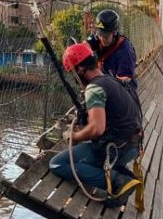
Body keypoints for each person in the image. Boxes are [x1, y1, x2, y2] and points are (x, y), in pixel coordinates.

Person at [49, 42, 142, 207]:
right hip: (132, 147)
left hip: (116, 150)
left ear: (80, 70)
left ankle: (118, 181)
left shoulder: (94, 89)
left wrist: (73, 136)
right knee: (85, 157)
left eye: (73, 73)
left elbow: (97, 129)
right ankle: (123, 175)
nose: (74, 78)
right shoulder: (111, 80)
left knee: (57, 163)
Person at [87, 9, 138, 90]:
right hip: (103, 82)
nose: (102, 38)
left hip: (123, 91)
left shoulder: (125, 52)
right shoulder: (97, 39)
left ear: (114, 32)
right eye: (100, 34)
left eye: (105, 36)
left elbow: (123, 84)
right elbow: (84, 47)